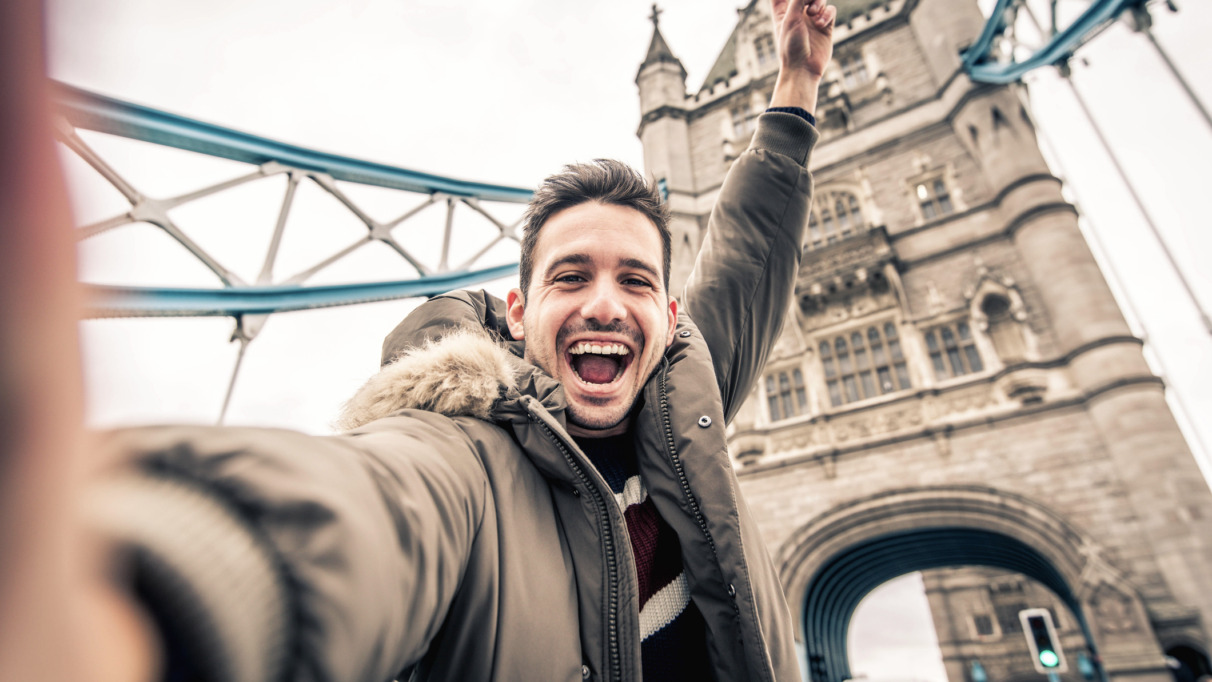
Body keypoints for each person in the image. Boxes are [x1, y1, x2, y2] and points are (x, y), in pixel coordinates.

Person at [3, 0, 836, 679]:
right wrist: (157, 581)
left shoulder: (691, 412)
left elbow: (752, 256)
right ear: (517, 312)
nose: (607, 306)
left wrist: (796, 84)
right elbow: (371, 516)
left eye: (636, 281)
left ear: (669, 313)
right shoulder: (466, 451)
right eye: (571, 277)